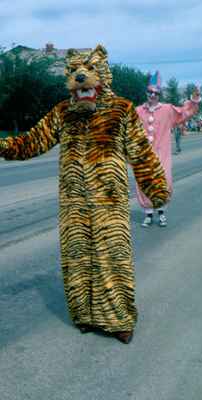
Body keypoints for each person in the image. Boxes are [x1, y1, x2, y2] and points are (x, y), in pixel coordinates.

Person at [0, 45, 169, 344]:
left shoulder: (121, 110)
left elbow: (141, 154)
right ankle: (85, 316)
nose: (81, 78)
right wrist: (3, 146)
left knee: (112, 260)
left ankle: (119, 320)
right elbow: (31, 143)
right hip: (73, 203)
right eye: (76, 72)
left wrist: (155, 186)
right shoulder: (63, 113)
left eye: (89, 71)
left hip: (109, 203)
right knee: (77, 259)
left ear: (102, 76)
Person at [136, 71, 200, 228]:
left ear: (160, 95)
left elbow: (184, 113)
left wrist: (194, 100)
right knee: (144, 183)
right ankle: (148, 215)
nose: (152, 95)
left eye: (156, 93)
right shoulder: (137, 111)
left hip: (161, 154)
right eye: (150, 92)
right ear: (146, 93)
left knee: (165, 182)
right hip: (143, 156)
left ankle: (161, 213)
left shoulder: (167, 109)